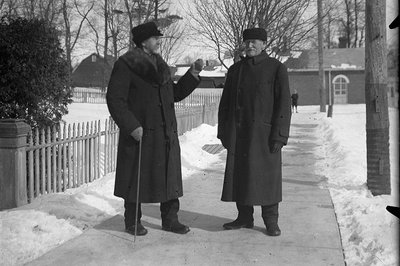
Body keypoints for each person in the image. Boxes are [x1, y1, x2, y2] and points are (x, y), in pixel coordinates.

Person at [106, 22, 204, 236]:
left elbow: (174, 94)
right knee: (136, 178)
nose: (160, 41)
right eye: (155, 38)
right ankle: (132, 221)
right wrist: (131, 126)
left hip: (165, 134)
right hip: (141, 134)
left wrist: (193, 74)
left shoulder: (160, 64)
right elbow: (115, 99)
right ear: (143, 42)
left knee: (168, 178)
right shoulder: (126, 64)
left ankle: (170, 220)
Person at [217, 27, 291, 236]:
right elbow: (225, 104)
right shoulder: (235, 70)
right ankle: (244, 217)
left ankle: (270, 221)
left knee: (267, 179)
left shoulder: (276, 68)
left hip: (264, 135)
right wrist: (224, 131)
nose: (250, 45)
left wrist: (280, 134)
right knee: (240, 176)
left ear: (264, 44)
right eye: (247, 42)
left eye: (255, 42)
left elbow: (284, 103)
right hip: (239, 134)